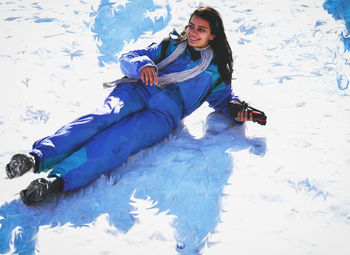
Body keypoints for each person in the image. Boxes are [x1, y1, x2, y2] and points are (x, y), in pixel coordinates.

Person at [5, 6, 253, 205]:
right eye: (191, 26)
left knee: (119, 139)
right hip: (137, 89)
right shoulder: (171, 45)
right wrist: (144, 65)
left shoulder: (216, 72)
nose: (192, 32)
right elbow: (129, 57)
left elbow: (225, 100)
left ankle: (55, 181)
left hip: (162, 114)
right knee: (101, 118)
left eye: (201, 29)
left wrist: (239, 110)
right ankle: (36, 157)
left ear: (213, 35)